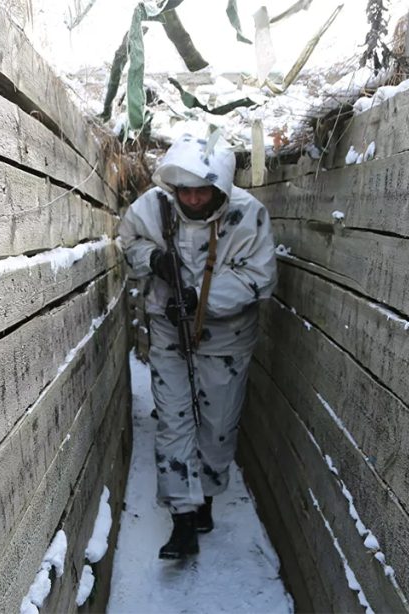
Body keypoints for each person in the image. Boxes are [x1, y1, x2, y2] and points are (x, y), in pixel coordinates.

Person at [118, 133, 277, 559]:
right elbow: (128, 242)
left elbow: (259, 277)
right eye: (183, 189)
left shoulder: (249, 216)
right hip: (169, 332)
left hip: (226, 338)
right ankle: (183, 519)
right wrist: (152, 260)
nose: (190, 198)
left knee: (217, 422)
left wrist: (201, 299)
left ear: (220, 189)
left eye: (200, 190)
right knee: (174, 420)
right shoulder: (152, 207)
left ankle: (204, 497)